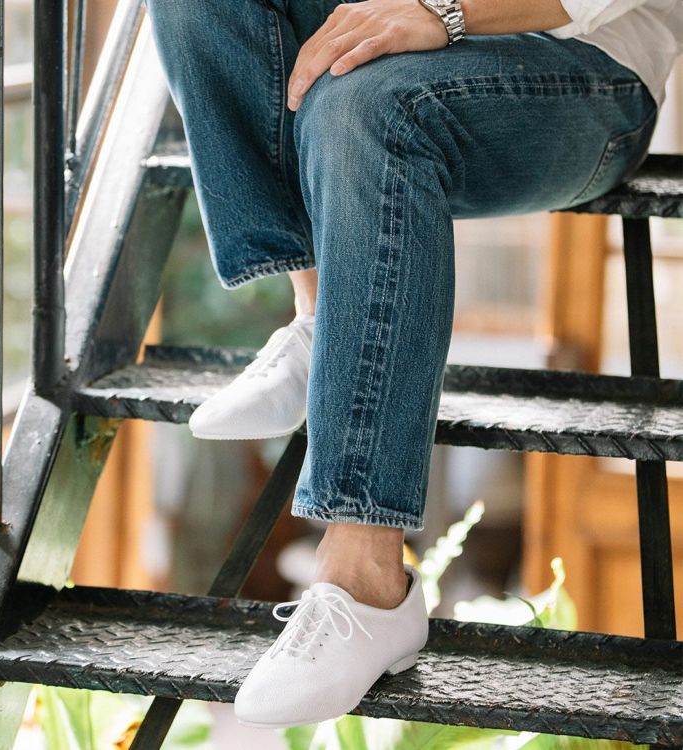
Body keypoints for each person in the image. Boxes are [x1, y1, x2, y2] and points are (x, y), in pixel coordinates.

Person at [144, 0, 682, 728]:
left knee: (363, 107)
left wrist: (447, 13)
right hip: (400, 40)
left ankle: (365, 579)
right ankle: (319, 314)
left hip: (590, 72)